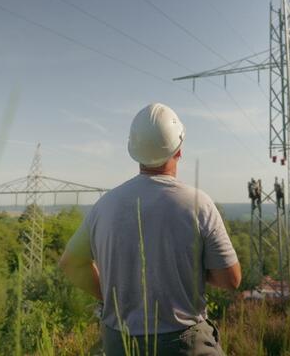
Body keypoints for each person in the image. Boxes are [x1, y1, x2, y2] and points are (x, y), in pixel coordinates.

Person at [59, 103, 241, 356]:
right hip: (184, 344)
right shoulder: (198, 204)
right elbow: (231, 279)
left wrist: (114, 295)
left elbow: (70, 264)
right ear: (179, 151)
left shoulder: (104, 206)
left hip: (119, 343)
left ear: (134, 152)